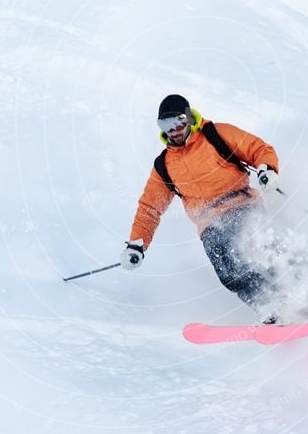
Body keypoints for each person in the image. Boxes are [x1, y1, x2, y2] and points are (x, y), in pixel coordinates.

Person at [120, 94, 284, 322]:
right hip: (210, 224)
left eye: (177, 122)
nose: (173, 130)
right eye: (165, 125)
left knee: (266, 249)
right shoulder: (164, 165)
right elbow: (149, 208)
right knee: (228, 268)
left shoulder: (216, 135)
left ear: (188, 117)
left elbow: (258, 148)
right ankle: (271, 306)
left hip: (241, 204)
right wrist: (136, 245)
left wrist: (267, 169)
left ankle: (305, 292)